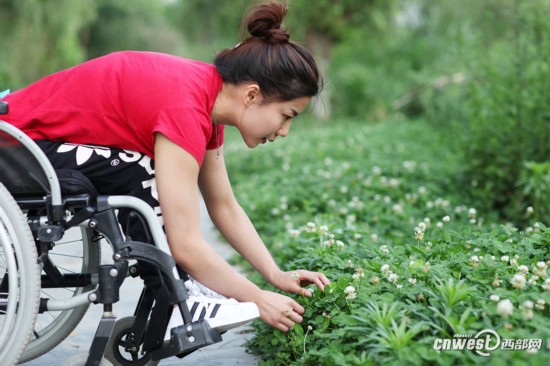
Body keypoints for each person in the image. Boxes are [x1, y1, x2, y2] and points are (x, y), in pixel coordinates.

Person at [1, 0, 330, 334]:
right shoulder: (186, 106)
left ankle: (177, 292)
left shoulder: (206, 103)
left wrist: (273, 275)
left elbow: (223, 205)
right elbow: (186, 244)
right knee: (141, 171)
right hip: (13, 147)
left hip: (31, 146)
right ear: (251, 95)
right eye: (286, 116)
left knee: (140, 170)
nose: (284, 131)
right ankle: (175, 298)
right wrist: (258, 299)